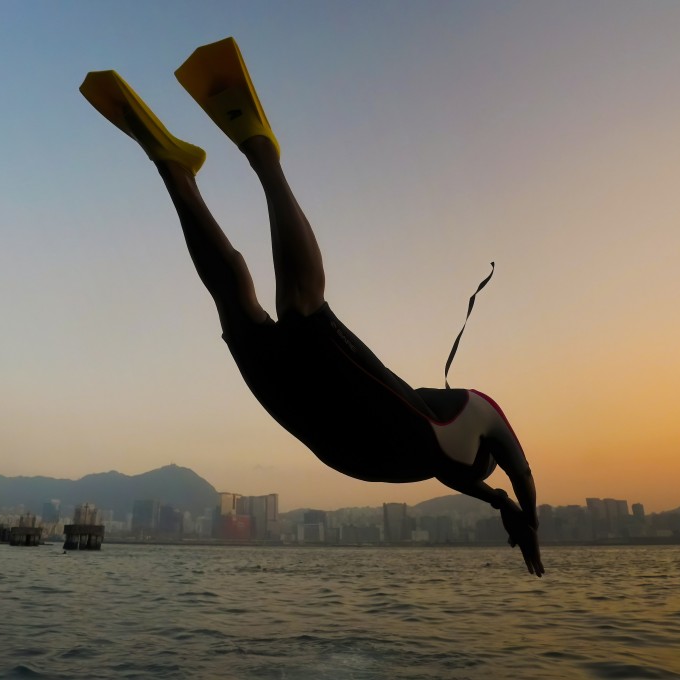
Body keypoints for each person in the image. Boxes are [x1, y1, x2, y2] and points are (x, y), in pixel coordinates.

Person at [81, 38, 543, 577]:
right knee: (263, 308)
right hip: (331, 430)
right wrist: (516, 512)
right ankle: (212, 161)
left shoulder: (459, 432)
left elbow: (514, 476)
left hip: (343, 422)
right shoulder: (458, 436)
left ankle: (214, 160)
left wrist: (514, 510)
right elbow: (512, 477)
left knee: (271, 308)